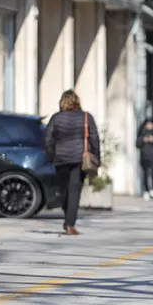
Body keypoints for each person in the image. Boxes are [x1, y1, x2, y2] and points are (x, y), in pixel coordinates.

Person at [45, 90, 101, 236]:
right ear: (77, 101)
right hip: (79, 158)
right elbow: (94, 138)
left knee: (64, 190)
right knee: (74, 191)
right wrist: (97, 157)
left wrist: (51, 155)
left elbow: (48, 139)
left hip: (60, 158)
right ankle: (70, 224)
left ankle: (68, 217)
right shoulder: (86, 117)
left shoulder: (56, 118)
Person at [137, 118, 153, 201]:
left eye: (151, 124)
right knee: (145, 174)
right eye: (148, 124)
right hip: (144, 156)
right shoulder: (141, 132)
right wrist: (144, 140)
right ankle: (146, 190)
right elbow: (137, 143)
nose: (149, 126)